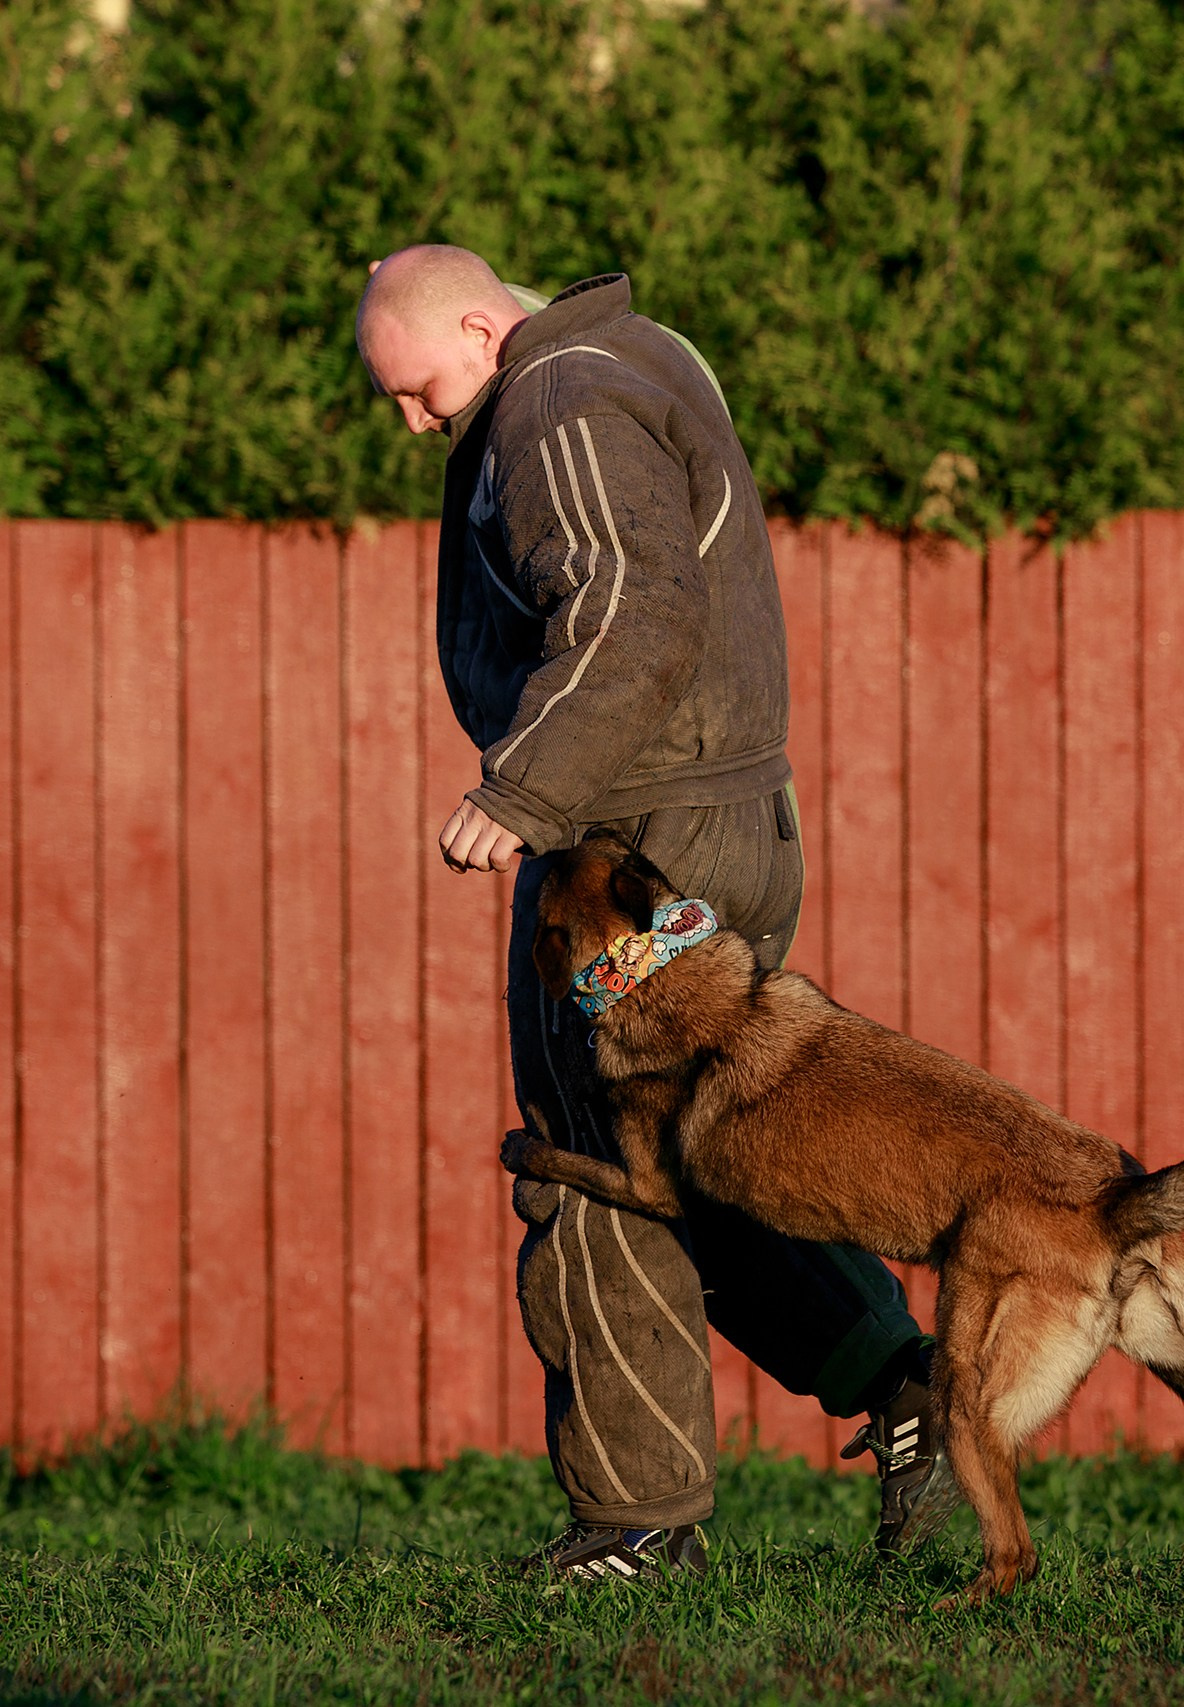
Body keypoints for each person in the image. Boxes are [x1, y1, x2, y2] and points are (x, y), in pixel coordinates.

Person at [356, 245, 937, 1582]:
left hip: (636, 849)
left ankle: (636, 1525)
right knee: (692, 1152)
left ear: (476, 321)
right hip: (707, 824)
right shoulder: (640, 352)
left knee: (592, 1156)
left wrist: (525, 788)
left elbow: (629, 610)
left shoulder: (555, 397)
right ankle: (906, 1384)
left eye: (416, 386)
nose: (411, 421)